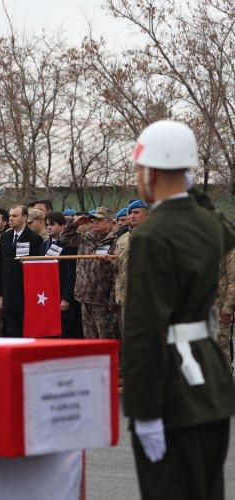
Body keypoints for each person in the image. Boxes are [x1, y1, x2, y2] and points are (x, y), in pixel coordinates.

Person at [123, 120, 235, 500]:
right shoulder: (206, 223)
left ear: (150, 171)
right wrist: (193, 194)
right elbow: (227, 228)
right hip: (211, 387)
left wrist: (145, 411)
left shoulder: (151, 235)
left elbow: (142, 330)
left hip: (171, 392)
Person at [60, 207, 119, 340]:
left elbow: (119, 272)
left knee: (106, 339)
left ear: (110, 222)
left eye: (99, 219)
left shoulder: (116, 242)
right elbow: (63, 239)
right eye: (92, 220)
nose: (94, 222)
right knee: (90, 340)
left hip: (103, 301)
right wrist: (75, 223)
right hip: (84, 298)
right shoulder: (86, 238)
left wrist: (113, 300)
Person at [0, 205, 43, 337]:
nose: (11, 219)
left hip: (26, 294)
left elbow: (37, 270)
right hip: (8, 293)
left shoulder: (34, 239)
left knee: (27, 331)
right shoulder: (5, 237)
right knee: (12, 331)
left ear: (25, 218)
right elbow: (1, 265)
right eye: (10, 215)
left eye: (15, 216)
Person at [42, 211, 82, 339]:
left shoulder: (69, 245)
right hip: (47, 296)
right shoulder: (43, 245)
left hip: (64, 295)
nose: (48, 227)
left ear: (63, 225)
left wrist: (66, 297)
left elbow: (71, 272)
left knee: (67, 332)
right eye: (47, 224)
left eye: (52, 224)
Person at [113, 199, 149, 338]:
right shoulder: (122, 239)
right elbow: (118, 267)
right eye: (130, 213)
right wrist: (109, 263)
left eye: (136, 212)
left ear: (147, 216)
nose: (131, 216)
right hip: (124, 296)